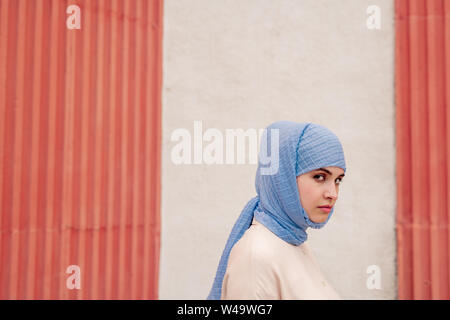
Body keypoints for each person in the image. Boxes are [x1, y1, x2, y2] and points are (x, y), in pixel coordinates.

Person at [206, 121, 347, 300]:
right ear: (284, 178)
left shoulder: (294, 241)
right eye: (319, 177)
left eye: (338, 180)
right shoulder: (256, 257)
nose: (333, 194)